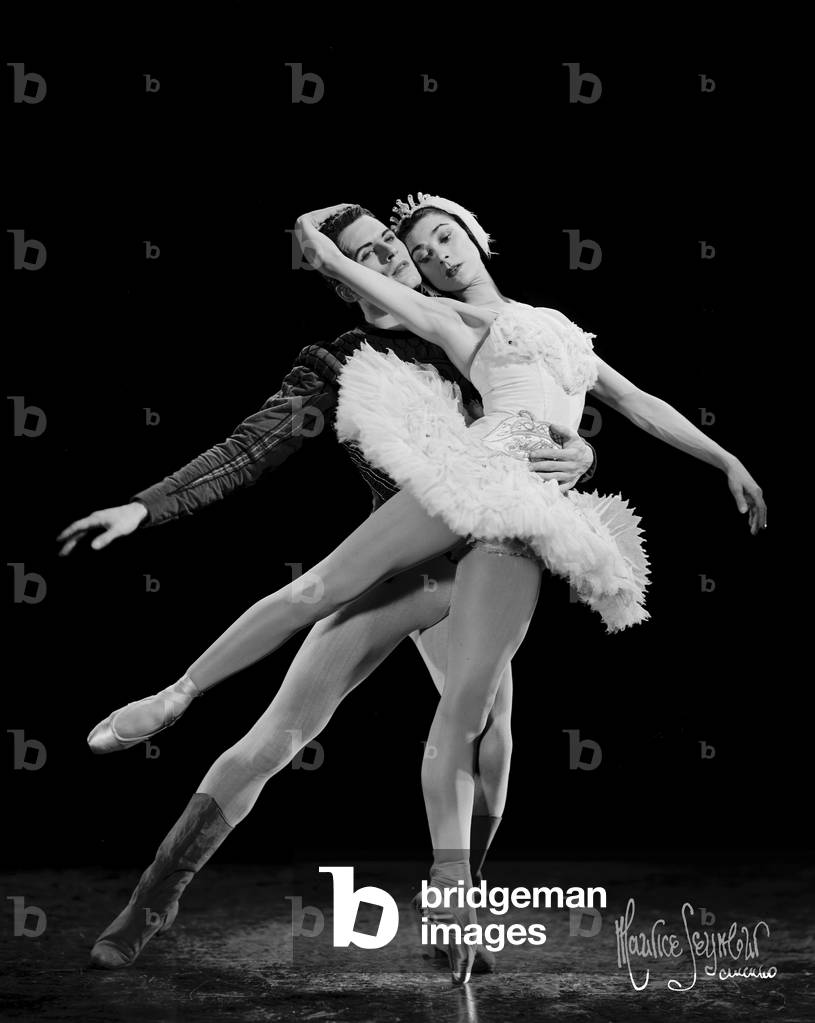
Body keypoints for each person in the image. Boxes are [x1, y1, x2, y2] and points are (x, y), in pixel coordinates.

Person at [82, 196, 766, 984]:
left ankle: (456, 903)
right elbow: (247, 450)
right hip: (401, 562)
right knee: (277, 735)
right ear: (345, 283)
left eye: (398, 244)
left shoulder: (476, 322)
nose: (400, 257)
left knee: (492, 738)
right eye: (374, 254)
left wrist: (579, 451)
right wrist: (146, 504)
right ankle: (151, 900)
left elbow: (555, 409)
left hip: (489, 553)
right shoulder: (338, 358)